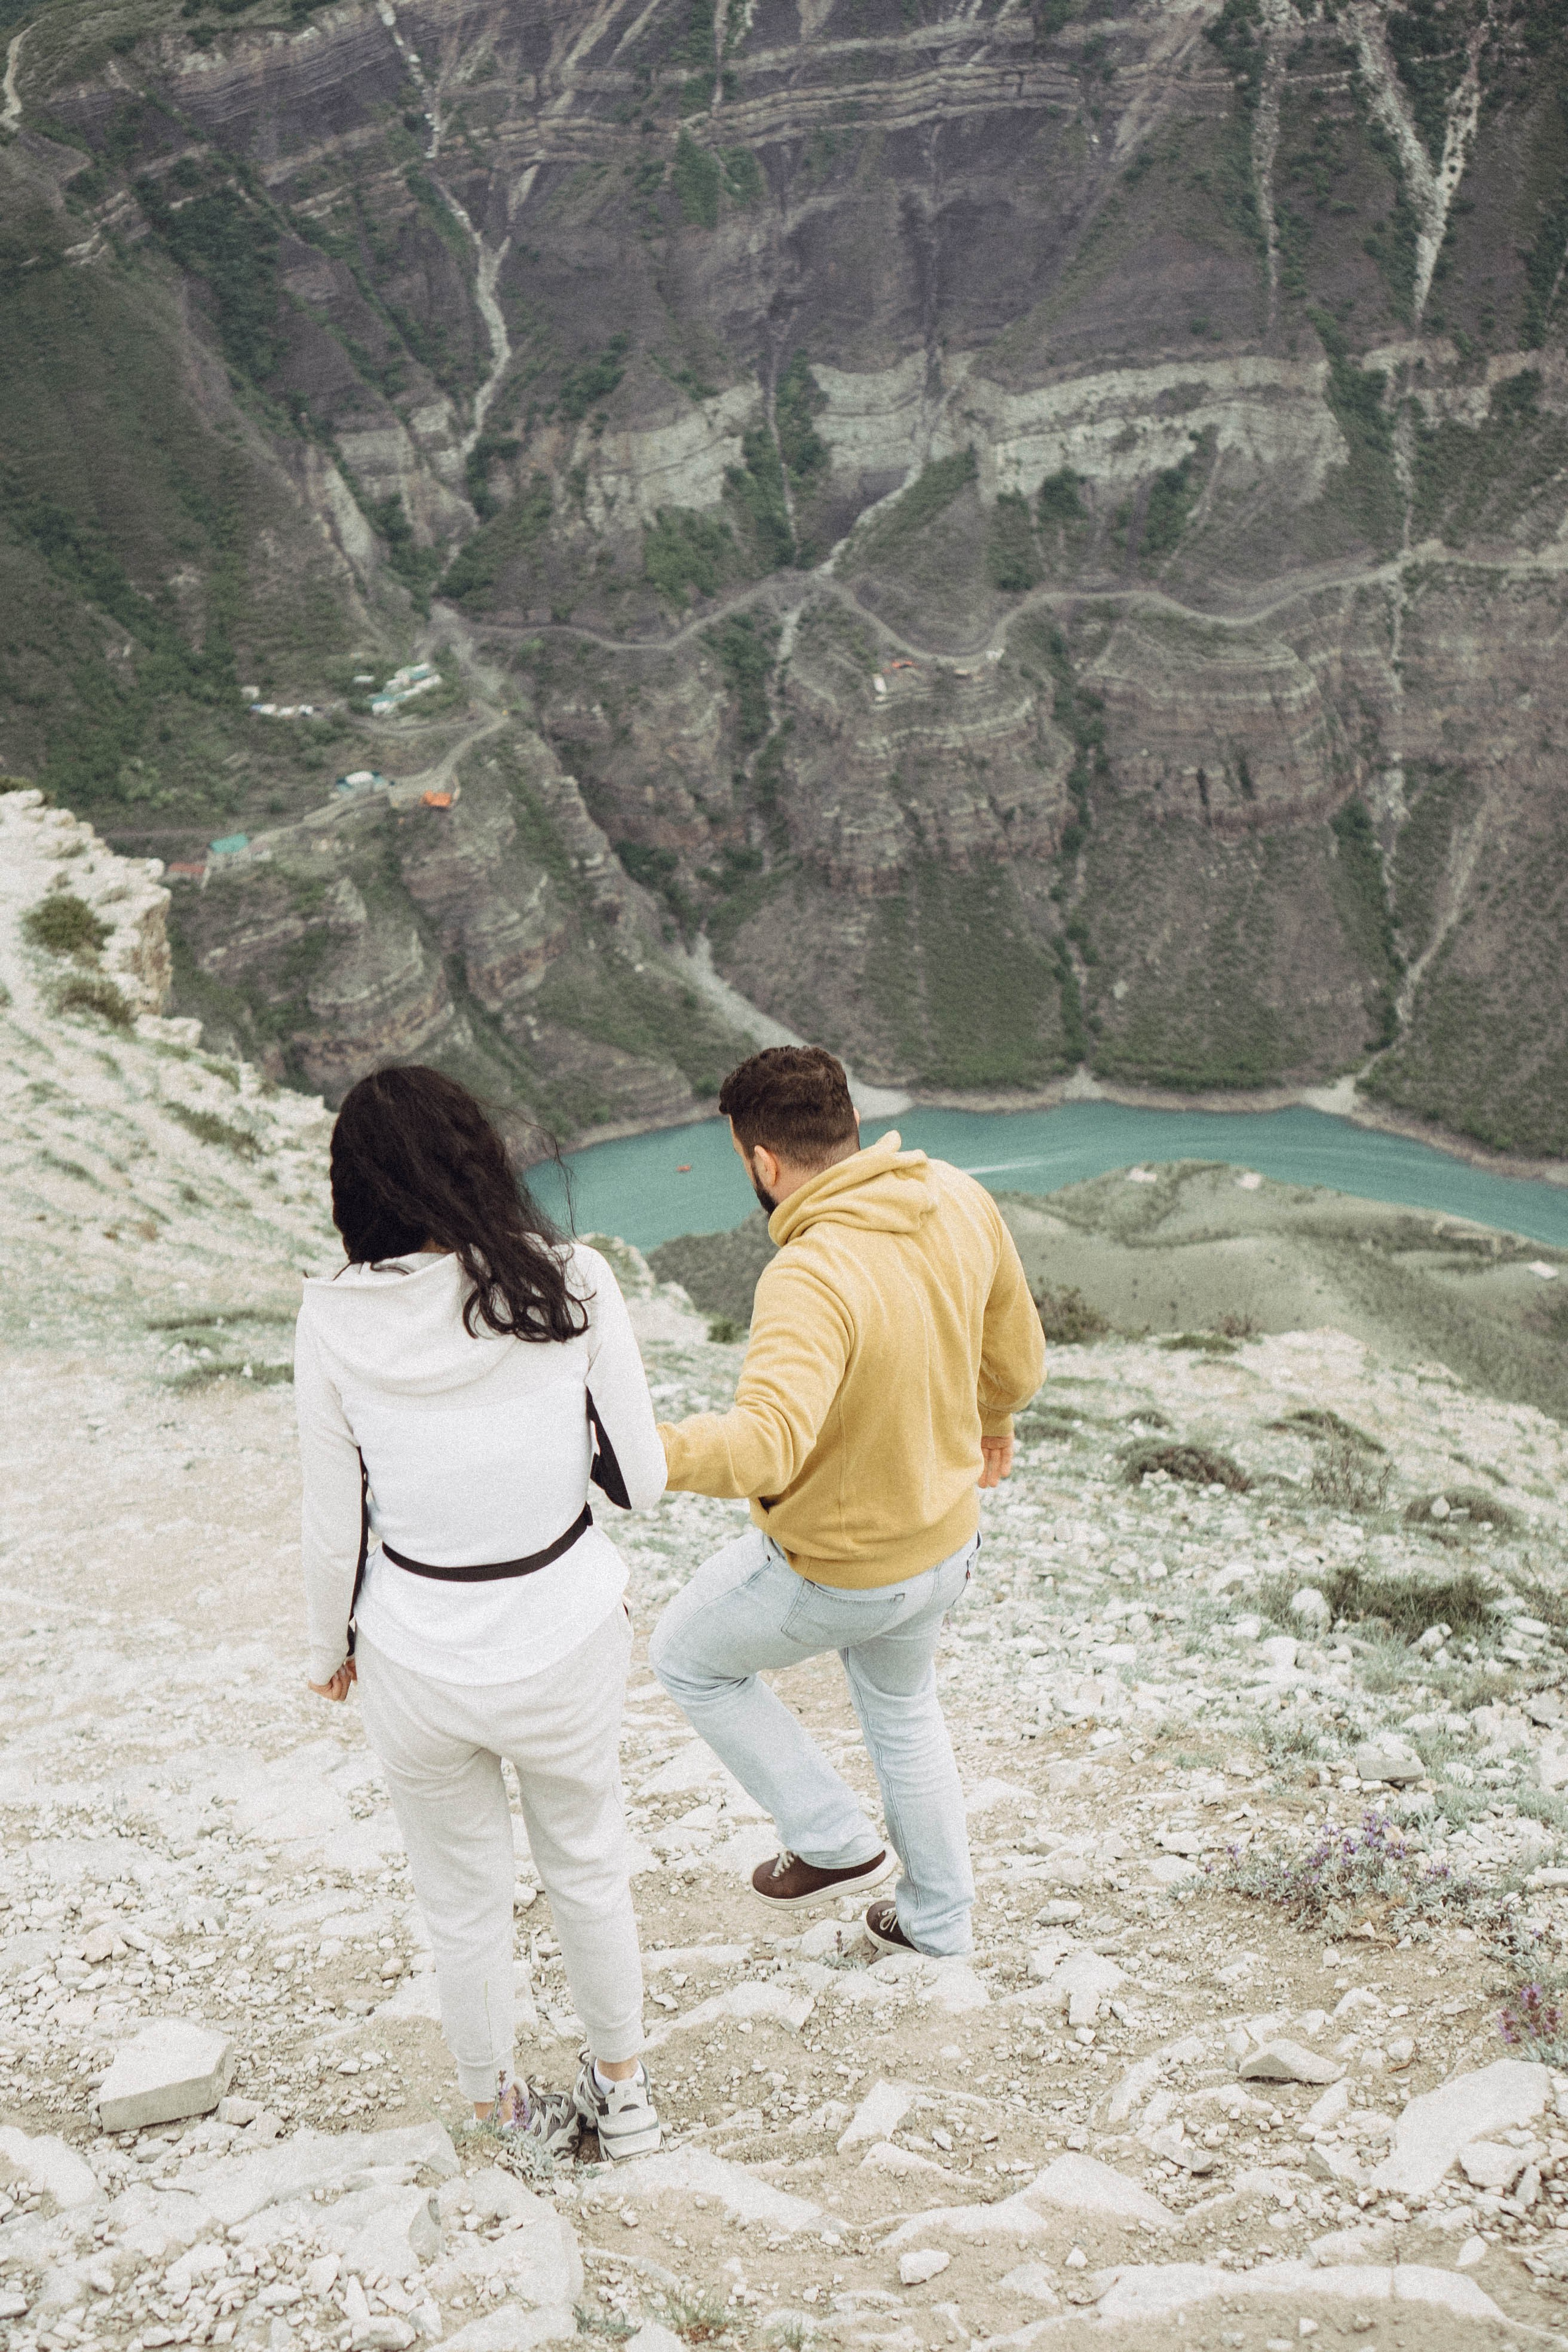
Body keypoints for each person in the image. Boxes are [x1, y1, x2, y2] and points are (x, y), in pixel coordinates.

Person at [294, 1065, 665, 2160]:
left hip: (414, 1648)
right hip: (564, 1629)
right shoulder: (572, 1281)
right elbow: (640, 1484)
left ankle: (502, 2115)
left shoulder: (330, 1318)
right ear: (481, 1158)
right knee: (589, 1868)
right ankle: (626, 2100)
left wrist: (329, 1650)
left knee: (461, 1901)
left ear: (352, 1190)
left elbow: (333, 1524)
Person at [648, 1046, 1044, 1959]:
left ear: (762, 1162)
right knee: (905, 1717)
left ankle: (831, 1842)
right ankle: (938, 1925)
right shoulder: (956, 1194)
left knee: (689, 1658)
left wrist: (637, 1452)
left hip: (842, 1571)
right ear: (852, 1131)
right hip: (944, 1548)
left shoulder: (808, 1273)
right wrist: (994, 1418)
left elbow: (764, 1446)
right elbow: (1018, 1360)